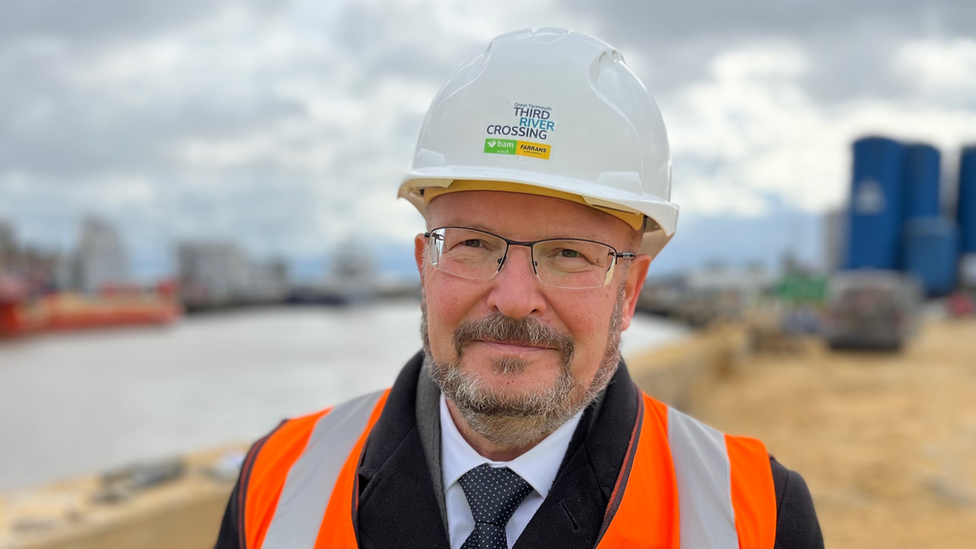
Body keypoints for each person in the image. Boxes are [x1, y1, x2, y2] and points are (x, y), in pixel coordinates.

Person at [214, 28, 823, 549]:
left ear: (630, 291)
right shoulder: (277, 482)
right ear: (427, 266)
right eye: (474, 244)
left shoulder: (756, 519)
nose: (513, 296)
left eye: (568, 255)